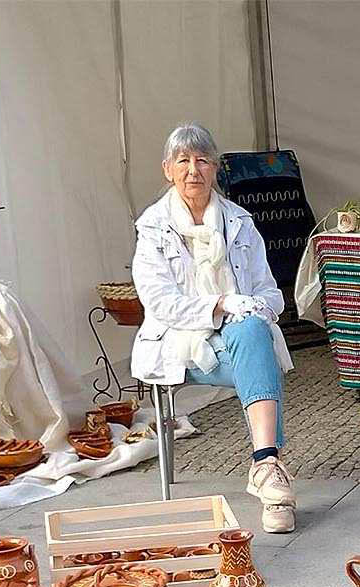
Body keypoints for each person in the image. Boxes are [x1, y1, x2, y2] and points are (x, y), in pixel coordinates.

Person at [131, 123, 296, 533]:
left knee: (252, 331)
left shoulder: (240, 221)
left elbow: (271, 293)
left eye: (202, 160)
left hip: (239, 338)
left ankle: (265, 466)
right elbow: (161, 303)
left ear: (216, 168)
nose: (193, 170)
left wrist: (256, 306)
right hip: (183, 346)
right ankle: (270, 474)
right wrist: (221, 304)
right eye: (184, 161)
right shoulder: (152, 229)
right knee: (260, 361)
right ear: (167, 169)